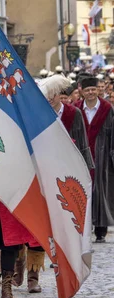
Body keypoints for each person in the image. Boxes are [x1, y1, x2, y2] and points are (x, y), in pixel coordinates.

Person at [13, 75, 94, 292]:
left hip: (62, 177)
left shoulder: (72, 114)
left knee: (47, 226)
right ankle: (19, 264)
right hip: (35, 174)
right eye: (45, 96)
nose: (48, 99)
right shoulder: (32, 114)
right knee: (26, 223)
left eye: (52, 95)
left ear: (60, 94)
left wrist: (86, 171)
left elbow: (82, 143)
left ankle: (33, 275)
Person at [76, 75, 114, 243]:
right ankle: (82, 228)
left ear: (98, 89)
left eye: (93, 89)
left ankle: (100, 230)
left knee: (100, 192)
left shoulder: (107, 109)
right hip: (81, 156)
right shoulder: (76, 109)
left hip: (102, 155)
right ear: (81, 91)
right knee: (81, 191)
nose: (91, 92)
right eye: (87, 90)